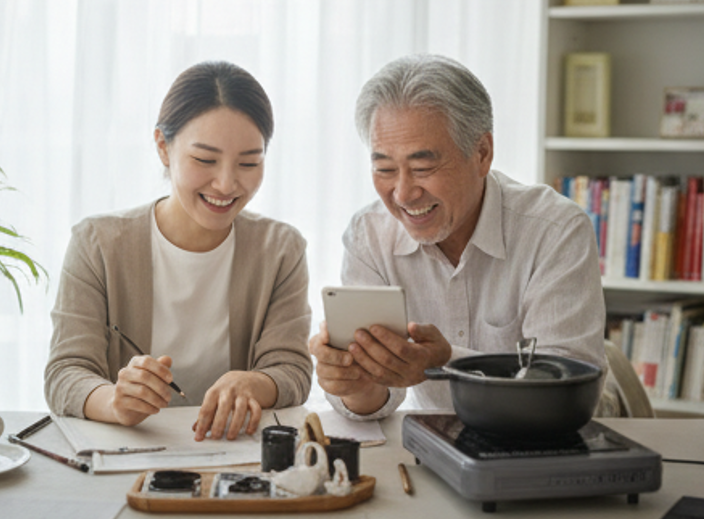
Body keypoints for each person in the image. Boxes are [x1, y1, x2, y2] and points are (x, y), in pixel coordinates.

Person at [310, 54, 611, 420]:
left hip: (550, 445)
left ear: (482, 153)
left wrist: (448, 362)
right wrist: (354, 382)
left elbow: (563, 391)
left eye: (422, 168)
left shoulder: (555, 231)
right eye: (385, 169)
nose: (403, 194)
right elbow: (374, 403)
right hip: (437, 449)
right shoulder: (368, 235)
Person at [45, 61, 313, 440]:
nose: (225, 184)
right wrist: (115, 401)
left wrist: (254, 383)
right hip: (128, 453)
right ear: (163, 147)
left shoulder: (280, 250)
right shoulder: (97, 243)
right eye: (205, 160)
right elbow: (65, 373)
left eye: (249, 162)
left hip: (236, 454)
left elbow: (293, 371)